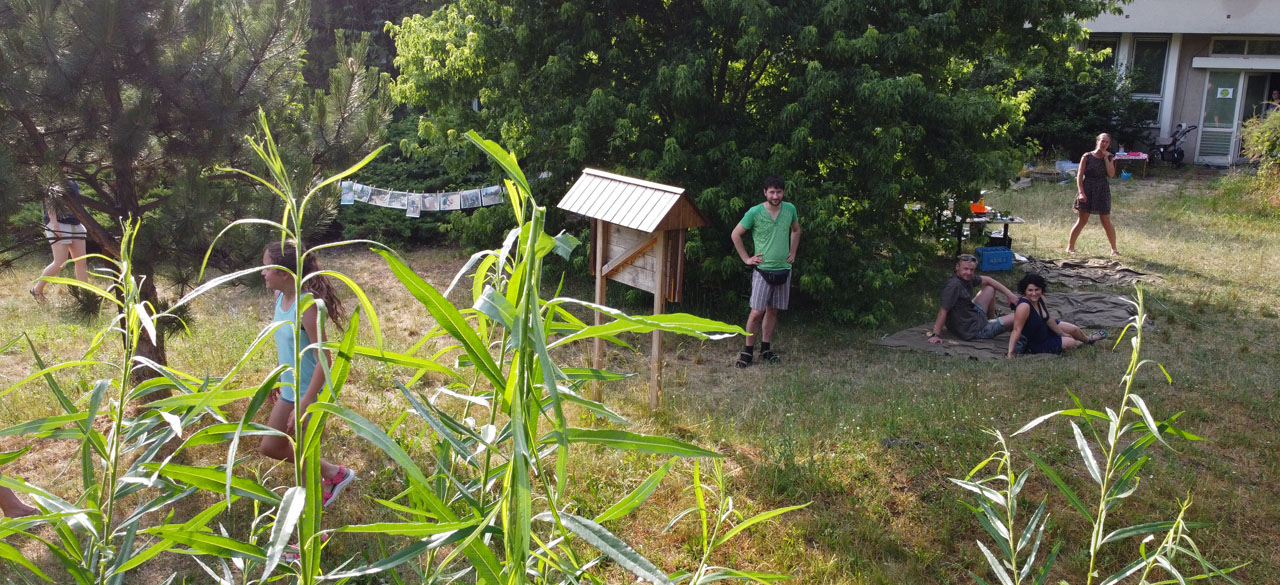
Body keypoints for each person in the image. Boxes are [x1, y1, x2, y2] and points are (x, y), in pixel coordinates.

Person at [260, 240, 355, 506]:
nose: (262, 273)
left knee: (303, 465)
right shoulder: (280, 298)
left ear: (283, 271)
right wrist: (278, 377)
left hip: (310, 392)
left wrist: (307, 402)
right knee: (271, 446)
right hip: (290, 388)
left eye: (267, 267)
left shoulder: (307, 306)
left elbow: (324, 359)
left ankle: (311, 537)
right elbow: (288, 345)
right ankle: (334, 473)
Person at [731, 176, 800, 367]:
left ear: (783, 192)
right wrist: (746, 258)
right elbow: (735, 234)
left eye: (779, 192)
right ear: (765, 192)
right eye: (772, 192)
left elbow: (796, 230)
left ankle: (766, 349)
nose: (776, 196)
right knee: (756, 312)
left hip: (784, 270)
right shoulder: (754, 212)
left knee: (773, 311)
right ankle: (747, 352)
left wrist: (793, 251)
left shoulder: (790, 209)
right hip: (762, 271)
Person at [1006, 273, 1106, 359]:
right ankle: (1074, 342)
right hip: (1035, 341)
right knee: (1071, 342)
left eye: (1037, 290)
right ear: (1025, 291)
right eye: (1030, 290)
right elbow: (1016, 330)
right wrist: (1011, 352)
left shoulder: (1040, 299)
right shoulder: (1024, 306)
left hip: (1044, 328)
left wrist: (1061, 333)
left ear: (1041, 289)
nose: (1034, 293)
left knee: (1074, 329)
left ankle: (1088, 339)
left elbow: (1048, 318)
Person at [928, 254, 1018, 343]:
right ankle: (992, 325)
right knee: (1020, 314)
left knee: (990, 287)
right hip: (975, 331)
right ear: (957, 267)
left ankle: (992, 320)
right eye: (966, 269)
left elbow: (988, 279)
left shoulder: (965, 278)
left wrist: (1010, 295)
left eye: (972, 270)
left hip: (973, 315)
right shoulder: (953, 286)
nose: (969, 273)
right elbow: (943, 311)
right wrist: (936, 335)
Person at [31, 172, 89, 300]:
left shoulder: (73, 179)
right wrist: (55, 226)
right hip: (58, 223)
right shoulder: (52, 177)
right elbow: (49, 201)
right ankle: (37, 290)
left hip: (75, 223)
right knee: (60, 262)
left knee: (81, 262)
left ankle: (86, 296)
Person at [1067, 133, 1118, 257]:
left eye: (1106, 142)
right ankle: (1070, 247)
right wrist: (1081, 192)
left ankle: (1114, 250)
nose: (1104, 144)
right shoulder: (1087, 156)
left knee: (1106, 220)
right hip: (1087, 188)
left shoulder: (1110, 157)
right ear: (1097, 141)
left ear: (1109, 144)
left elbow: (1111, 174)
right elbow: (1079, 175)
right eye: (1102, 141)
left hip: (1102, 190)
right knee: (1082, 220)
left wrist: (1106, 158)